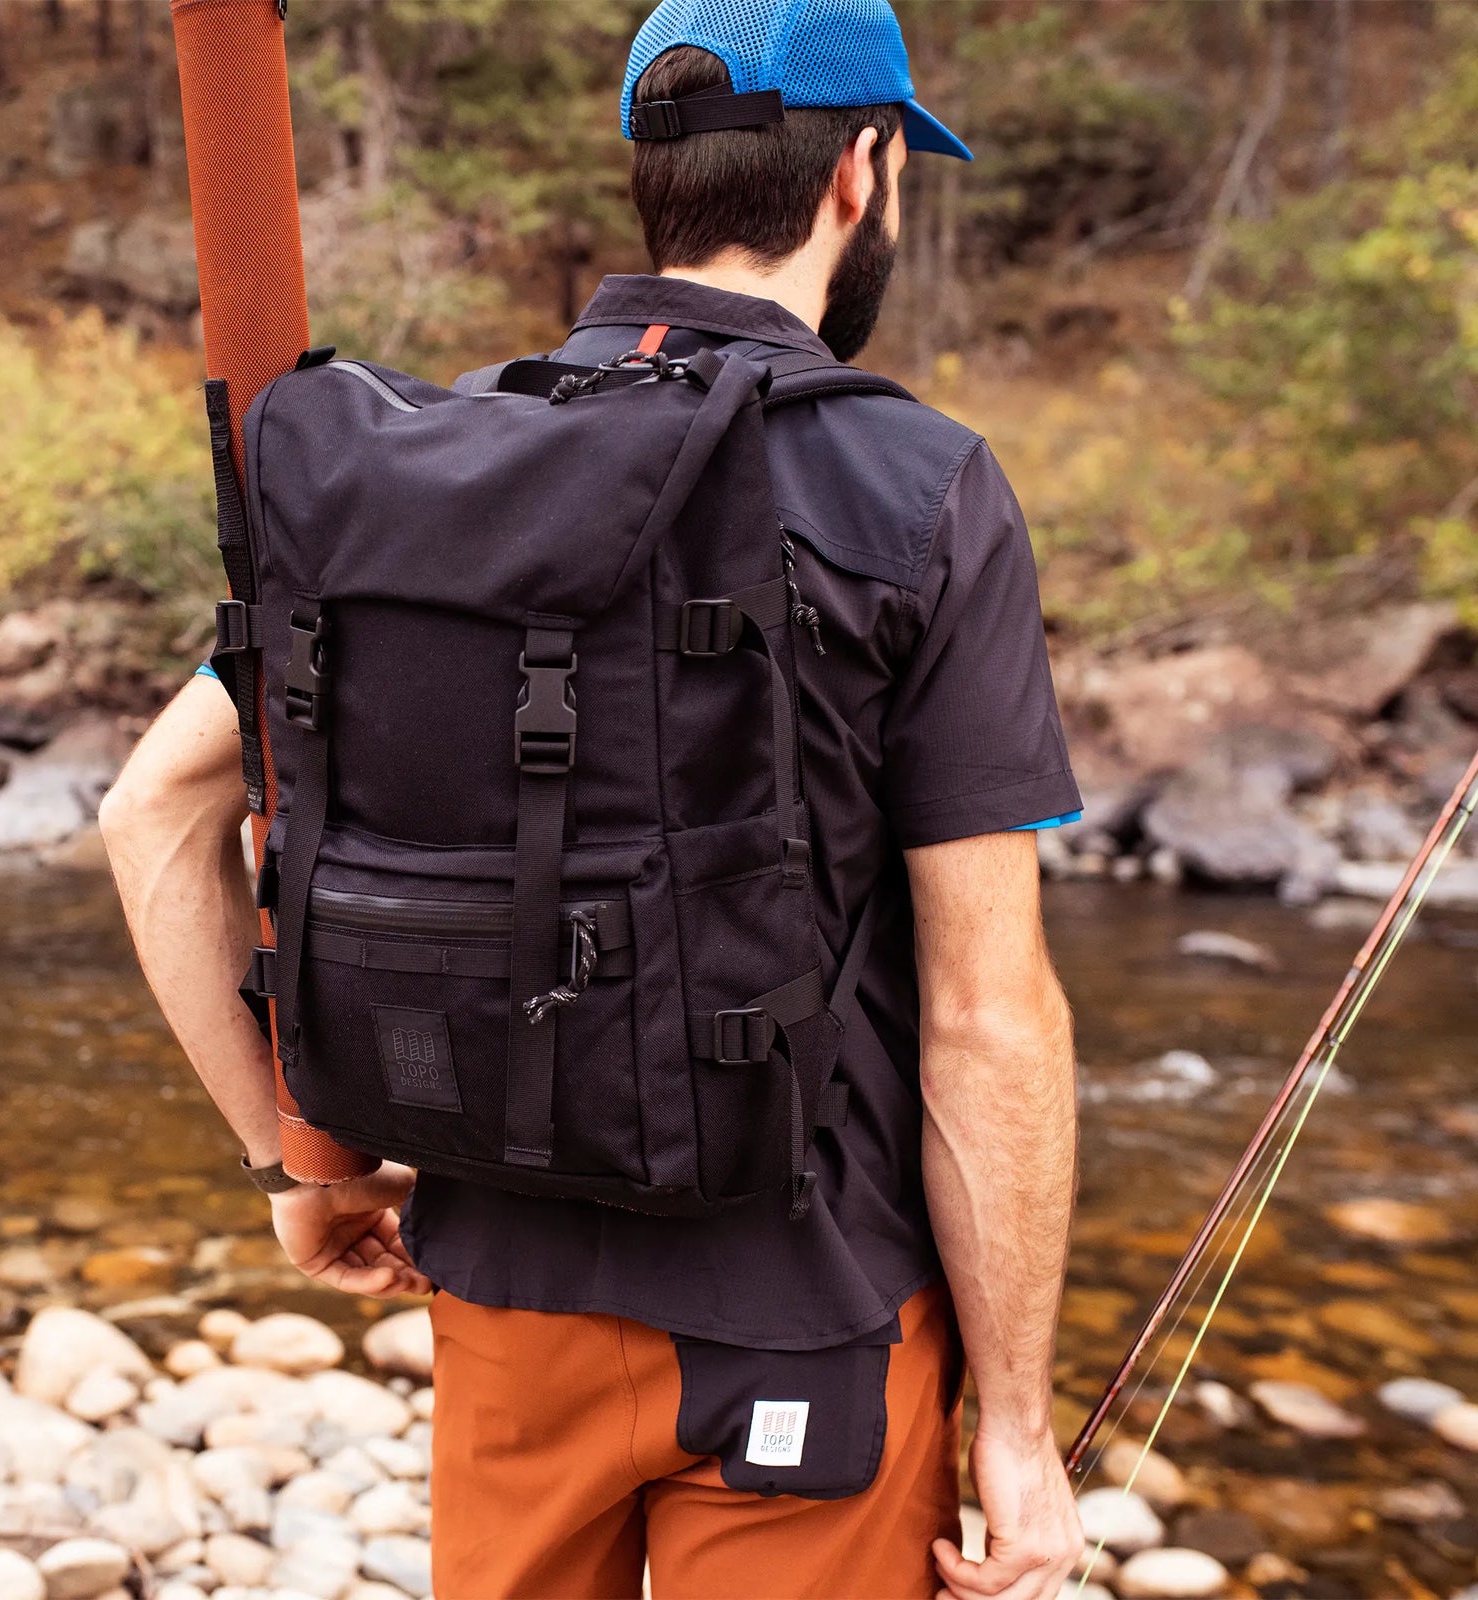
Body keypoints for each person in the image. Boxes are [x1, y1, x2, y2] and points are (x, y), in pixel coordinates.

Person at [101, 1, 1085, 1595]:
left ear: (653, 178)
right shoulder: (919, 489)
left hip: (507, 1300)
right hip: (815, 1319)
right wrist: (1021, 1431)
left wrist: (302, 1163)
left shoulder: (433, 467)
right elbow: (989, 1014)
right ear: (863, 173)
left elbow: (152, 812)